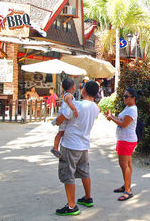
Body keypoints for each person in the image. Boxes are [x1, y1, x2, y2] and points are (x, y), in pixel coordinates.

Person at [53, 80, 100, 216]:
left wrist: (56, 121)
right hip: (84, 145)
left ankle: (72, 206)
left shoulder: (78, 105)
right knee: (85, 171)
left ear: (84, 91)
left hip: (70, 145)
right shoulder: (95, 108)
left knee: (68, 174)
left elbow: (62, 118)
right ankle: (87, 197)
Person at [105, 87, 138, 201]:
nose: (124, 98)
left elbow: (124, 124)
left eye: (126, 96)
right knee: (126, 163)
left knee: (124, 164)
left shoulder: (132, 109)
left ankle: (128, 190)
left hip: (127, 140)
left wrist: (111, 118)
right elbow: (120, 119)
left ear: (133, 98)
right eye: (124, 96)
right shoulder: (128, 107)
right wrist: (111, 116)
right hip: (125, 139)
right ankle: (126, 185)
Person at [50, 79, 78, 158]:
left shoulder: (67, 94)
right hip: (63, 118)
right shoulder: (68, 96)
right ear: (73, 87)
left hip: (64, 117)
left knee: (62, 133)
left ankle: (55, 147)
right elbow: (69, 102)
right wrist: (74, 109)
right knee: (60, 133)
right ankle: (55, 148)